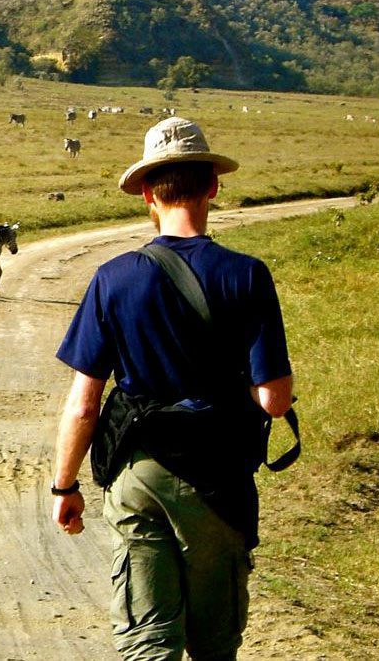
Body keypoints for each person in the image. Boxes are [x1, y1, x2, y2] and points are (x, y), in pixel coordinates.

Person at [50, 116, 294, 661]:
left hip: (139, 475)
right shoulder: (248, 274)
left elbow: (83, 403)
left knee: (147, 641)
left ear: (145, 194)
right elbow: (273, 400)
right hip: (218, 482)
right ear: (212, 185)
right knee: (214, 645)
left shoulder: (113, 278)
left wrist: (64, 487)